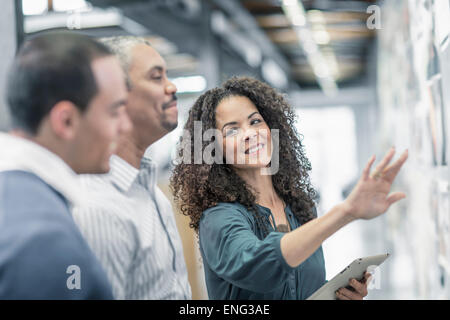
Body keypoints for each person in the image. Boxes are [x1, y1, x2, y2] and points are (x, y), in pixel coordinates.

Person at [170, 76, 408, 300]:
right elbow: (259, 266)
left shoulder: (299, 207)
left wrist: (339, 294)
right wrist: (346, 211)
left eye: (255, 121)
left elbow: (304, 286)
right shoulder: (218, 217)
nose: (250, 134)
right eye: (232, 130)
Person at [0, 32, 131, 299]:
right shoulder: (42, 240)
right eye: (115, 112)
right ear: (66, 121)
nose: (125, 126)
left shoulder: (17, 199)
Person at [73, 36, 191, 300]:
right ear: (114, 94)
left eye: (167, 76)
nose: (171, 87)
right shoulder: (97, 208)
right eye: (156, 77)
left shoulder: (153, 195)